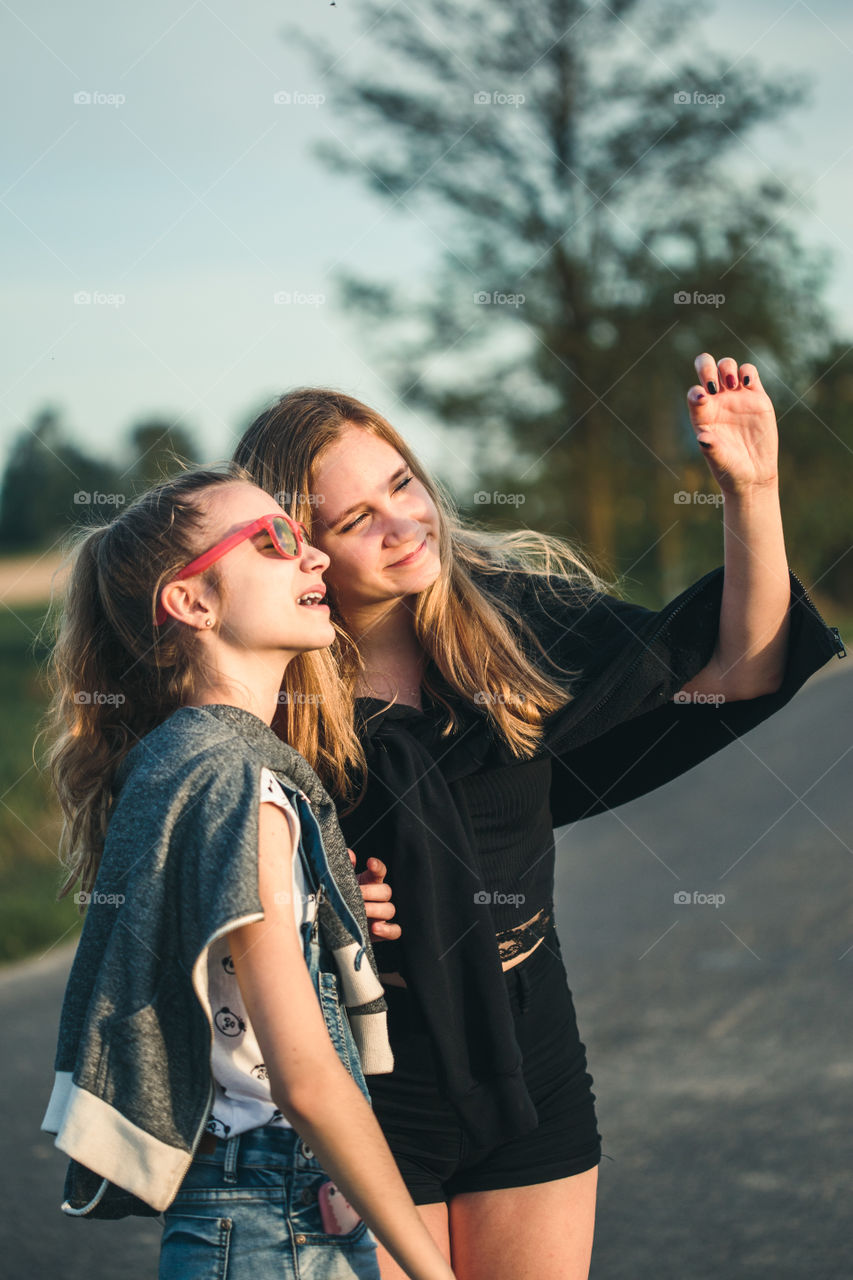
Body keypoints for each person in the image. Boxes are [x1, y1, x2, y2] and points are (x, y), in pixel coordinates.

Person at [232, 353, 847, 1280]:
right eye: (359, 519)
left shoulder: (509, 616)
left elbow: (742, 664)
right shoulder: (270, 686)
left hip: (530, 1043)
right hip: (361, 1070)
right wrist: (313, 892)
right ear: (301, 545)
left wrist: (748, 489)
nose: (404, 525)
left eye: (404, 484)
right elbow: (203, 864)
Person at [39, 465, 457, 1280]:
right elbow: (306, 1081)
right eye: (272, 542)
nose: (314, 561)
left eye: (303, 539)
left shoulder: (175, 759)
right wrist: (432, 1272)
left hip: (250, 1208)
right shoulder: (239, 780)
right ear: (191, 603)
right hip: (277, 1220)